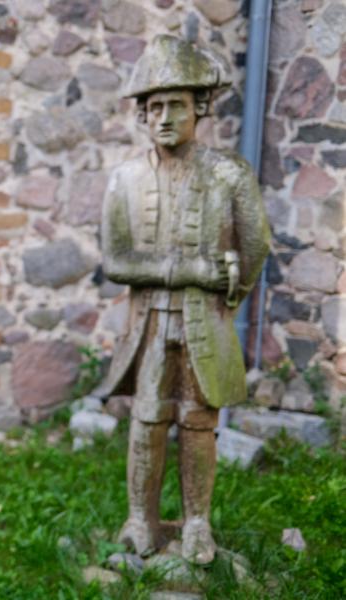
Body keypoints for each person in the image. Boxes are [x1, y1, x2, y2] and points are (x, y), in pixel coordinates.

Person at [94, 35, 270, 564]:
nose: (163, 117)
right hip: (148, 326)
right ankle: (139, 519)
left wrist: (231, 294)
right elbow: (117, 260)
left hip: (204, 325)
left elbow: (255, 243)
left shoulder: (228, 173)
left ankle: (197, 523)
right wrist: (190, 269)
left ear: (199, 107)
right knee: (147, 419)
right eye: (152, 108)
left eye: (174, 105)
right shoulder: (125, 179)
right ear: (142, 117)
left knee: (198, 420)